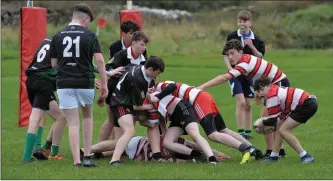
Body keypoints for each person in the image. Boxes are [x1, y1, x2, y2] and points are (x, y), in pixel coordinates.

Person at [197, 39, 290, 158]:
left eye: (232, 53)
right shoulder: (245, 59)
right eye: (228, 54)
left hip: (278, 83)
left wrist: (203, 86)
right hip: (271, 85)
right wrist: (259, 91)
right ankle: (275, 151)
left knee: (268, 120)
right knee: (267, 120)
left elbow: (224, 77)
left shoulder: (244, 64)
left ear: (240, 52)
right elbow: (259, 74)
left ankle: (273, 152)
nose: (230, 57)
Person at [50, 3, 108, 168]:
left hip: (64, 83)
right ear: (85, 18)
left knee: (73, 123)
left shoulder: (57, 35)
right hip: (85, 82)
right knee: (87, 117)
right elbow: (100, 61)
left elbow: (54, 64)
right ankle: (87, 157)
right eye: (88, 21)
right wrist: (104, 84)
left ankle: (76, 161)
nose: (88, 24)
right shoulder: (90, 35)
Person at [153, 81, 263, 163]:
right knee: (223, 130)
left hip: (197, 100)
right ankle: (254, 149)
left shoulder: (158, 86)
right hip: (202, 97)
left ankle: (246, 148)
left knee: (212, 134)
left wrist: (157, 97)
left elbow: (171, 87)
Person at [108, 56, 165, 166]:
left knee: (117, 141)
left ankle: (85, 151)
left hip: (122, 101)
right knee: (130, 131)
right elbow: (137, 107)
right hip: (120, 103)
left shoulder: (140, 69)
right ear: (151, 69)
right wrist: (153, 105)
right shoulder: (139, 79)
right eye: (157, 73)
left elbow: (138, 90)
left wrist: (148, 95)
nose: (157, 76)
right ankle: (114, 160)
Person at [22, 38, 67, 163]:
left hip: (31, 80)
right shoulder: (62, 47)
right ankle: (27, 157)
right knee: (36, 117)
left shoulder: (45, 41)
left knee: (58, 116)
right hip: (44, 82)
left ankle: (38, 149)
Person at [222, 10, 265, 139]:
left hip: (249, 75)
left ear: (250, 23)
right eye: (240, 21)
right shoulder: (232, 36)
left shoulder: (256, 39)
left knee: (248, 104)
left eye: (245, 21)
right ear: (237, 22)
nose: (242, 23)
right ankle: (240, 133)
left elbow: (260, 57)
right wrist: (230, 69)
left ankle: (247, 132)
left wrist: (252, 47)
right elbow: (225, 54)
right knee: (240, 102)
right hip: (235, 74)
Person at [253, 77, 317, 163]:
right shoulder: (274, 89)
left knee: (284, 130)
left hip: (305, 105)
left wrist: (261, 123)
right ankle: (274, 156)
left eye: (262, 89)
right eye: (258, 91)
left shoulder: (272, 95)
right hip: (306, 102)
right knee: (280, 127)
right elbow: (277, 120)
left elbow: (273, 120)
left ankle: (306, 156)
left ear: (269, 86)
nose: (260, 93)